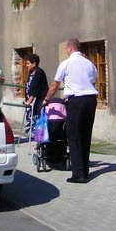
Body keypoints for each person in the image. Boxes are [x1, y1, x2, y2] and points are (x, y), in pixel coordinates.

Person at [42, 38, 97, 183]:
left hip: (76, 100)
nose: (66, 51)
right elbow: (92, 81)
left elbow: (54, 85)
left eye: (66, 49)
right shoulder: (90, 63)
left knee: (73, 136)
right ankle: (85, 169)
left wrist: (46, 99)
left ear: (70, 49)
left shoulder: (66, 64)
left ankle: (78, 174)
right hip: (90, 100)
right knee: (86, 134)